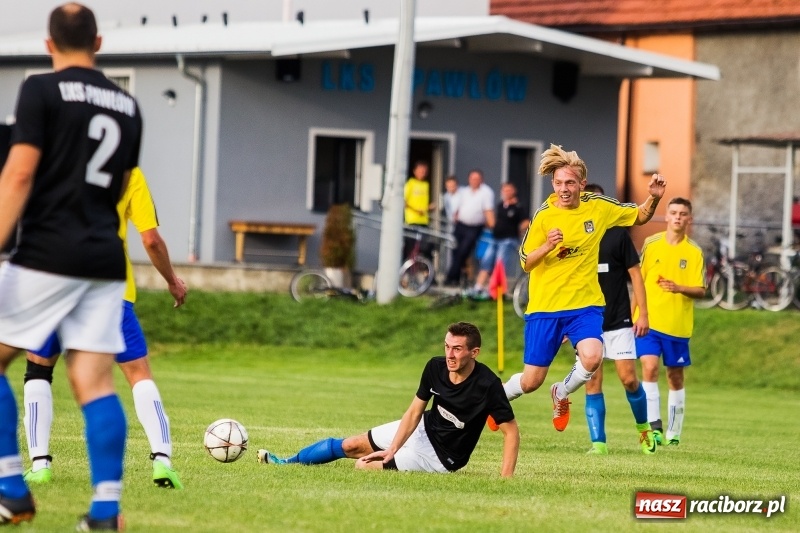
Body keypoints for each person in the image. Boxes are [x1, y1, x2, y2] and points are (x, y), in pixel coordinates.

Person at [0, 3, 142, 529]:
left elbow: (17, 175)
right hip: (104, 258)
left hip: (46, 252)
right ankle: (105, 510)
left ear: (48, 44)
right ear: (98, 43)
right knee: (92, 381)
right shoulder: (128, 105)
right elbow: (122, 185)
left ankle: (12, 488)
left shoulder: (40, 89)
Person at [23, 167, 187, 490]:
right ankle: (162, 461)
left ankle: (39, 464)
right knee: (137, 375)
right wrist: (172, 280)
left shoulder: (60, 161)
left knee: (38, 369)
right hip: (110, 288)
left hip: (57, 282)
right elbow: (151, 239)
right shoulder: (131, 172)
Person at [497, 144, 665, 435]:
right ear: (553, 184)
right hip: (545, 308)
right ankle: (495, 398)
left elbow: (638, 216)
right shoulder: (544, 216)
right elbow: (525, 261)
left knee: (592, 356)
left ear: (581, 184)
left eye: (570, 183)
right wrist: (547, 246)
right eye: (559, 183)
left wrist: (652, 197)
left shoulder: (598, 207)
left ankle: (561, 392)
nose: (564, 188)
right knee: (530, 381)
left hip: (585, 306)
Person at [256, 322, 519, 477]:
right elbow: (415, 412)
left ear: (474, 353)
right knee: (352, 445)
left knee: (363, 466)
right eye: (447, 346)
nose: (450, 354)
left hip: (440, 458)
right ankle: (287, 462)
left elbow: (511, 433)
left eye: (457, 349)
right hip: (423, 429)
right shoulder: (435, 367)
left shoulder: (488, 385)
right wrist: (393, 448)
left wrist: (505, 480)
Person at [579, 184, 654, 455]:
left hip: (619, 319)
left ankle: (644, 431)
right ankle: (598, 444)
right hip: (587, 321)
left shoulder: (618, 235)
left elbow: (636, 275)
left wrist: (642, 313)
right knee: (592, 381)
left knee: (628, 379)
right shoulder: (577, 235)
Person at [635, 198, 705, 447]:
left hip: (677, 325)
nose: (677, 217)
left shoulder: (694, 252)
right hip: (649, 322)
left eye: (683, 213)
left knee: (675, 377)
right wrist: (636, 314)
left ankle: (674, 431)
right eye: (673, 212)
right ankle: (654, 427)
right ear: (666, 216)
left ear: (689, 219)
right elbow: (638, 281)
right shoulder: (651, 244)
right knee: (650, 368)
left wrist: (679, 288)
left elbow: (701, 290)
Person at [471, 182, 529, 299]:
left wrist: (518, 228)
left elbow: (526, 222)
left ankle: (493, 290)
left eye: (508, 190)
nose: (506, 193)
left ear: (513, 191)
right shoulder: (500, 205)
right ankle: (478, 287)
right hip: (495, 238)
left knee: (499, 263)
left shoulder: (518, 207)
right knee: (486, 261)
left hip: (508, 239)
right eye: (504, 190)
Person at [444, 170, 495, 287]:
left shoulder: (486, 192)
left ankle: (451, 277)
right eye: (472, 178)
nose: (474, 181)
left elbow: (488, 211)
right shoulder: (465, 191)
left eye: (476, 179)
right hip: (461, 225)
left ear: (481, 179)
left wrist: (493, 225)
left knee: (463, 251)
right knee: (455, 250)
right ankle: (458, 277)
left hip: (474, 227)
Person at [403, 161, 435, 260]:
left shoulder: (426, 185)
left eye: (424, 171)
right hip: (412, 220)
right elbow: (404, 201)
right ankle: (406, 266)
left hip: (424, 220)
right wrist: (416, 211)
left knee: (425, 246)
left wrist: (429, 208)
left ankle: (423, 268)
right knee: (410, 245)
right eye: (420, 171)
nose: (423, 173)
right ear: (414, 171)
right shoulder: (410, 183)